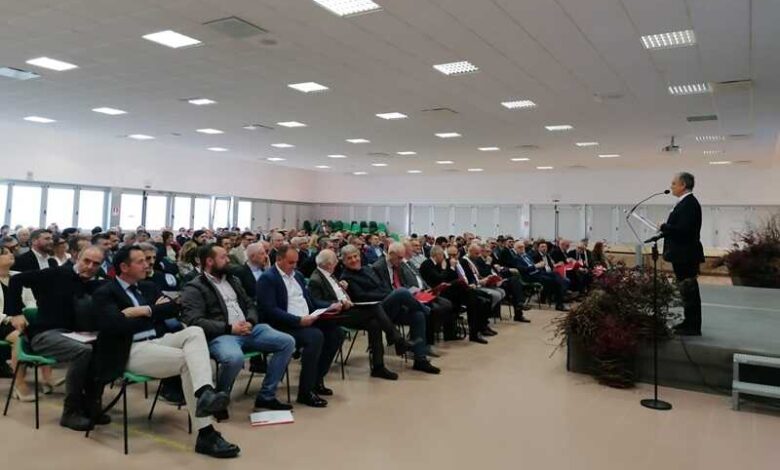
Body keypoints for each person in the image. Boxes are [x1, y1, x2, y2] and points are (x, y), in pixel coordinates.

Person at [92, 246, 239, 458]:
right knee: (187, 361)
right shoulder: (105, 292)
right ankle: (206, 433)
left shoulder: (148, 287)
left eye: (147, 260)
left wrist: (143, 311)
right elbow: (115, 325)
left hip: (157, 341)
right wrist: (154, 312)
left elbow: (175, 308)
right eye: (141, 261)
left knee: (195, 331)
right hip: (130, 349)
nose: (147, 264)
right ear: (124, 267)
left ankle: (204, 391)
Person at [180, 244, 295, 417]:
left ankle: (266, 396)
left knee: (287, 342)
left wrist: (250, 321)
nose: (228, 260)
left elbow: (250, 304)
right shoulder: (194, 287)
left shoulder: (233, 280)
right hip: (222, 334)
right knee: (234, 358)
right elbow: (195, 321)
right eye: (223, 257)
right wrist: (230, 328)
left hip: (249, 329)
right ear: (209, 261)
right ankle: (218, 399)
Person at [7, 247, 107, 430]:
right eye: (86, 261)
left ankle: (90, 405)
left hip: (73, 335)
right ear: (77, 257)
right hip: (44, 334)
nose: (90, 266)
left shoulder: (97, 283)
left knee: (104, 347)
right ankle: (70, 412)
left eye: (96, 264)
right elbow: (16, 280)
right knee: (83, 351)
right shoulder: (56, 274)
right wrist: (15, 312)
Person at [256, 245, 345, 408]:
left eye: (296, 262)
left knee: (336, 333)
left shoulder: (297, 276)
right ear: (279, 260)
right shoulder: (268, 278)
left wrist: (329, 305)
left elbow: (309, 300)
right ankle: (306, 391)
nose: (294, 266)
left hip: (306, 319)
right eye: (291, 262)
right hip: (283, 324)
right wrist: (298, 321)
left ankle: (317, 378)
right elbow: (269, 310)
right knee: (315, 337)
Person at [308, 249, 413, 380]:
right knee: (374, 307)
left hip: (348, 308)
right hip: (336, 315)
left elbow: (335, 292)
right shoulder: (316, 279)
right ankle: (397, 339)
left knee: (374, 323)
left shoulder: (330, 274)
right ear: (329, 264)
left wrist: (342, 289)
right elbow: (315, 303)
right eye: (335, 261)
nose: (337, 263)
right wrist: (336, 303)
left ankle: (378, 367)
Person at [340, 244, 440, 374]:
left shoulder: (367, 269)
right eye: (349, 258)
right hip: (372, 310)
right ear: (344, 261)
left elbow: (382, 286)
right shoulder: (346, 278)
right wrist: (388, 295)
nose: (354, 260)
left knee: (417, 315)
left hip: (385, 306)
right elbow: (362, 296)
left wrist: (388, 294)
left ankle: (420, 360)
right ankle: (428, 311)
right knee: (401, 292)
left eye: (355, 256)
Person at [661, 172, 704, 336]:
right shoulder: (684, 203)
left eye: (674, 183)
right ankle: (688, 321)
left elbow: (684, 231)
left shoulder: (689, 204)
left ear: (683, 185)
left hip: (686, 254)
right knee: (685, 290)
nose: (671, 186)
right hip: (682, 253)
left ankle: (692, 325)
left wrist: (665, 227)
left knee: (689, 289)